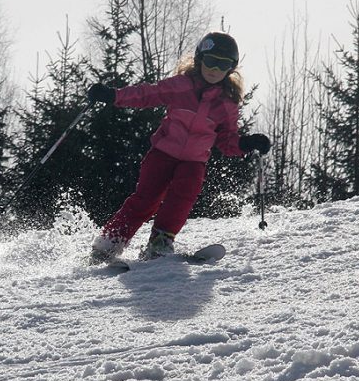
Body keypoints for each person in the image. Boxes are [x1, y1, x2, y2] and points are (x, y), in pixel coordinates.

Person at [86, 31, 271, 264]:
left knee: (182, 199)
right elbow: (147, 94)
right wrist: (113, 96)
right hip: (163, 154)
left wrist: (247, 143)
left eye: (222, 65)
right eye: (211, 61)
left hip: (194, 162)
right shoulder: (181, 86)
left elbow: (227, 141)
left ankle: (160, 242)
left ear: (231, 69)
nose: (215, 69)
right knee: (146, 199)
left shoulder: (227, 103)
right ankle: (109, 243)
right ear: (199, 60)